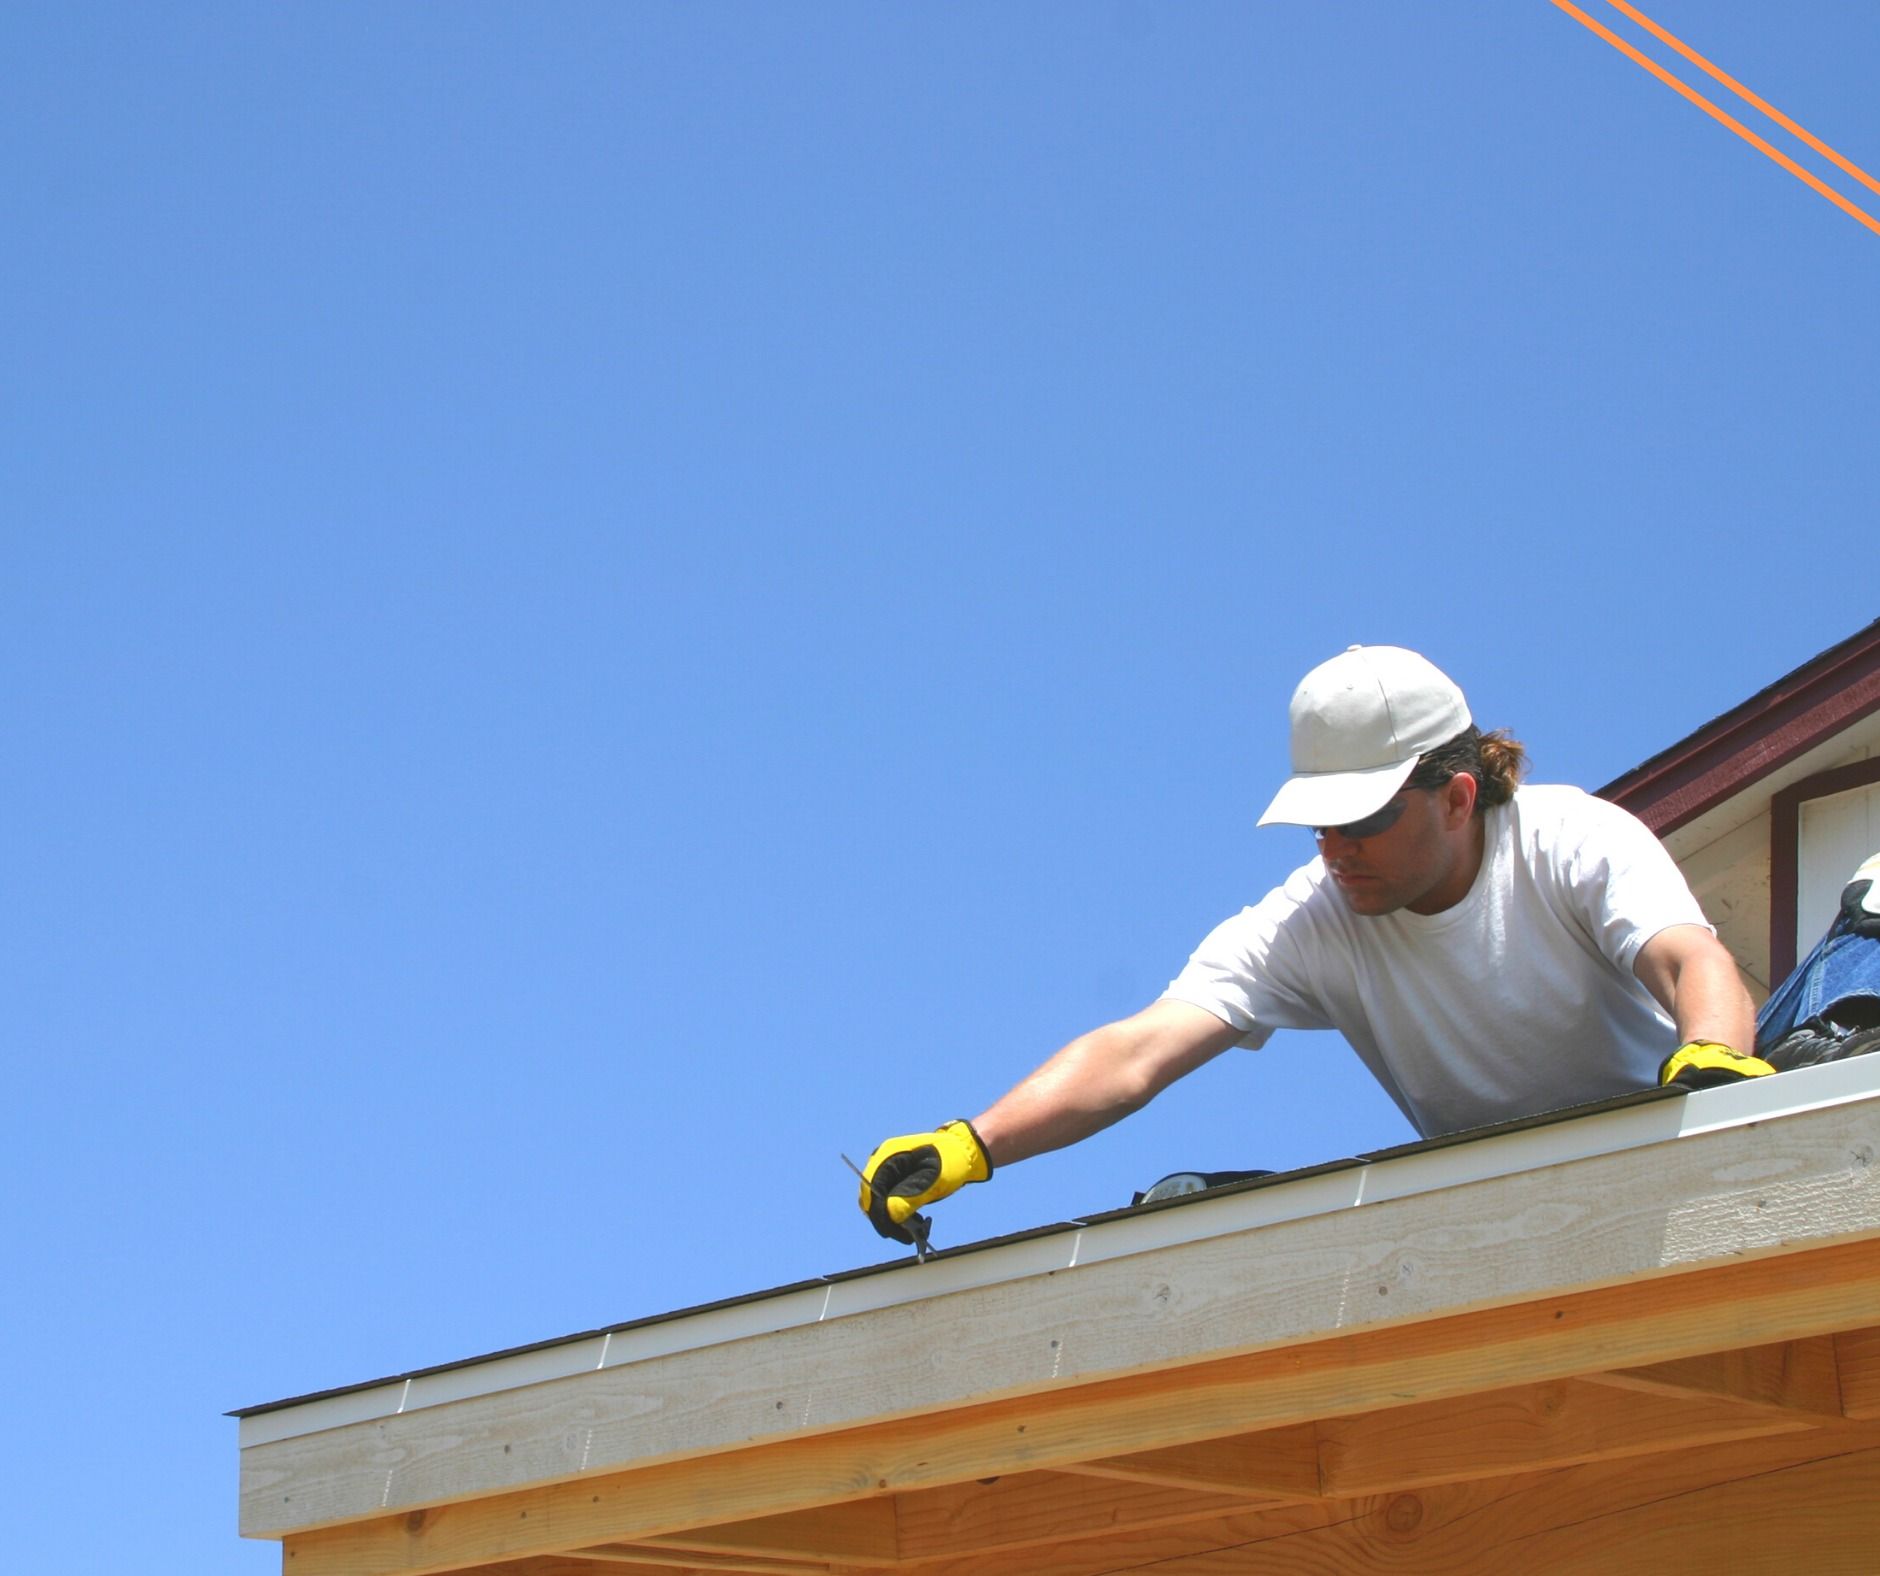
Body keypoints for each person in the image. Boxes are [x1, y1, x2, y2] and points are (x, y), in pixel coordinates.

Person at [857, 644, 1769, 1245]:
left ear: (1457, 798)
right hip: (1505, 1212)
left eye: (1360, 821)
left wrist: (1718, 1067)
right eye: (1317, 827)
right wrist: (973, 1145)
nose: (1334, 852)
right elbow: (1138, 1051)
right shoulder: (1318, 916)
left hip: (1672, 1160)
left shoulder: (1570, 839)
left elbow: (1693, 961)